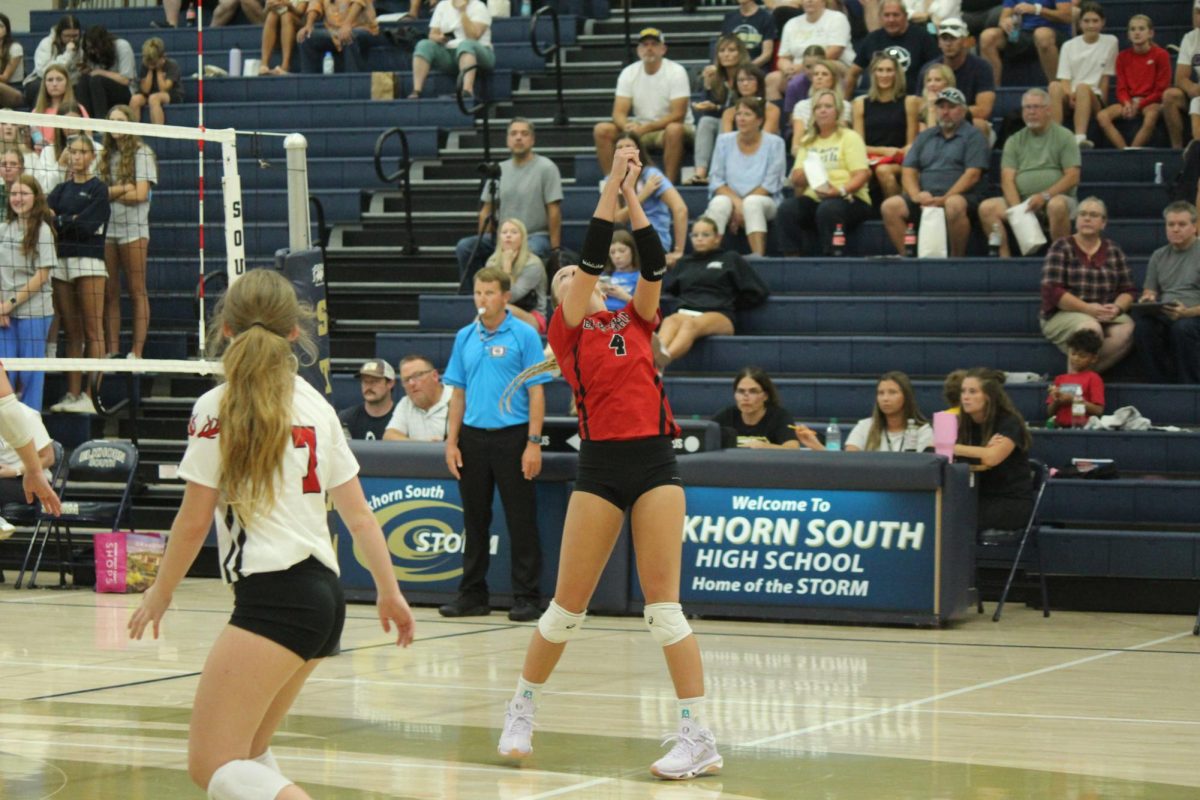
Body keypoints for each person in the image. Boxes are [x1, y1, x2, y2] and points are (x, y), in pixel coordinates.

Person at [128, 268, 415, 800]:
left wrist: (160, 592)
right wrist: (390, 591)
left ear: (226, 329)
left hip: (274, 596)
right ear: (293, 333)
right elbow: (359, 518)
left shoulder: (216, 407)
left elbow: (193, 522)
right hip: (324, 597)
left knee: (209, 763)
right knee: (248, 756)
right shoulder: (317, 406)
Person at [495, 143, 723, 781]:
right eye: (568, 278)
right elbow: (591, 255)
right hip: (598, 468)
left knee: (665, 608)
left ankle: (697, 736)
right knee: (566, 610)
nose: (576, 280)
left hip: (655, 463)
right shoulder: (565, 332)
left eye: (582, 278)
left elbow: (651, 261)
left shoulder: (636, 318)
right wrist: (611, 190)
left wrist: (630, 196)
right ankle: (521, 710)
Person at [442, 265, 550, 622]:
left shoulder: (524, 334)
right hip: (473, 438)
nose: (482, 300)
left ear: (505, 297)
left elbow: (536, 392)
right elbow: (458, 392)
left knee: (521, 519)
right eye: (478, 293)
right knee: (474, 520)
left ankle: (528, 597)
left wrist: (533, 443)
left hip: (513, 436)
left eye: (489, 293)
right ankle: (472, 595)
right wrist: (451, 441)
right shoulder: (465, 336)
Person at [880, 87, 988, 257]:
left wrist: (945, 198)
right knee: (890, 207)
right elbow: (909, 169)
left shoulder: (974, 136)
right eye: (941, 107)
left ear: (963, 110)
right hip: (927, 197)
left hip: (964, 197)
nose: (945, 112)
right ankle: (912, 260)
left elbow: (973, 175)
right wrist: (916, 195)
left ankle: (956, 259)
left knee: (954, 204)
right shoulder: (925, 136)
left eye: (951, 107)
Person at [456, 118, 562, 289]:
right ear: (507, 140)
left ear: (532, 139)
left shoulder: (546, 168)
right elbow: (486, 210)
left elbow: (554, 210)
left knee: (530, 252)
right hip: (503, 236)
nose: (518, 138)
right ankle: (474, 296)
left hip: (534, 235)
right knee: (466, 247)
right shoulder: (498, 170)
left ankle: (517, 297)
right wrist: (492, 238)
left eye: (524, 134)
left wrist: (556, 249)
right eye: (513, 134)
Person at [977, 88, 1080, 259]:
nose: (1031, 112)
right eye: (1027, 108)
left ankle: (1061, 260)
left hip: (1056, 198)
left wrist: (1045, 196)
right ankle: (1005, 260)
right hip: (1023, 201)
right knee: (987, 208)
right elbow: (1007, 179)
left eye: (1036, 107)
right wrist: (1019, 209)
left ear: (1048, 110)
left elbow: (1072, 176)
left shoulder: (1064, 136)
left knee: (1057, 205)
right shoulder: (1014, 140)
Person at [47, 134, 109, 415]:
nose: (76, 157)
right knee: (71, 332)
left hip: (89, 261)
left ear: (92, 157)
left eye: (82, 152)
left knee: (93, 329)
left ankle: (92, 395)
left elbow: (87, 226)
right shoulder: (60, 189)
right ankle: (73, 394)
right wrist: (68, 221)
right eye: (72, 152)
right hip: (62, 261)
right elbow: (49, 219)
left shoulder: (99, 189)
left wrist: (66, 222)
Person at [1039, 196, 1134, 373]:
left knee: (1126, 329)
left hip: (1103, 312)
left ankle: (1077, 381)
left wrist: (1117, 308)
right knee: (1090, 329)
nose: (1087, 218)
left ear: (1103, 223)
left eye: (1093, 215)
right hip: (1064, 313)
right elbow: (1053, 292)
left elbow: (1127, 290)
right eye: (1082, 214)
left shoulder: (1114, 250)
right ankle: (1074, 394)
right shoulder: (1061, 246)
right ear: (1076, 221)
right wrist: (1087, 309)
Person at [658, 217, 769, 367]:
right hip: (687, 310)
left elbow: (757, 291)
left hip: (719, 313)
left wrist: (729, 303)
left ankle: (660, 363)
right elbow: (671, 288)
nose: (699, 239)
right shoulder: (684, 262)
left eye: (705, 235)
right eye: (695, 235)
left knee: (689, 325)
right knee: (669, 321)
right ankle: (654, 360)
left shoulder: (730, 258)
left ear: (717, 238)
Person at [593, 27, 694, 185]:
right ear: (638, 50)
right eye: (644, 45)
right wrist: (627, 126)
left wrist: (645, 128)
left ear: (663, 49)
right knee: (602, 130)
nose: (649, 48)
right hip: (641, 128)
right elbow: (618, 113)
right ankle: (612, 183)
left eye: (654, 44)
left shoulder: (676, 71)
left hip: (672, 128)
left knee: (674, 129)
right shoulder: (629, 72)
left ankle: (667, 186)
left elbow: (678, 114)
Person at [779, 89, 872, 256]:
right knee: (787, 209)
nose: (822, 110)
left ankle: (832, 257)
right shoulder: (808, 141)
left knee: (828, 209)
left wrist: (839, 190)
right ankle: (792, 259)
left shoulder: (850, 137)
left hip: (850, 197)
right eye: (818, 107)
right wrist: (805, 174)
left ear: (837, 111)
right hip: (817, 196)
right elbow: (797, 177)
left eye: (828, 106)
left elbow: (862, 174)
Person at [100, 105, 157, 360]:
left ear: (130, 123)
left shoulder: (142, 153)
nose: (115, 126)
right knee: (109, 292)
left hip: (134, 230)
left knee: (137, 290)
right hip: (108, 229)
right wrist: (124, 188)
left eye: (120, 121)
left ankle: (137, 351)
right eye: (111, 121)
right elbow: (99, 194)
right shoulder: (104, 155)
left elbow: (141, 194)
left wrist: (113, 192)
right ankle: (112, 350)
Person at [953, 368, 1033, 536]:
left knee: (954, 517)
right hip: (978, 497)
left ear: (988, 396)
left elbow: (991, 458)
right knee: (941, 510)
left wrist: (955, 447)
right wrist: (980, 451)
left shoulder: (1008, 422)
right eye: (963, 391)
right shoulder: (963, 424)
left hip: (1010, 502)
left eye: (973, 391)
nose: (965, 397)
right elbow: (935, 450)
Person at [704, 97, 787, 257]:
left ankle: (758, 257)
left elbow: (770, 185)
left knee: (752, 203)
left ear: (759, 120)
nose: (741, 118)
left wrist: (742, 205)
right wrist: (737, 204)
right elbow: (716, 180)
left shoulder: (775, 143)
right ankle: (708, 257)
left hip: (766, 200)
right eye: (738, 114)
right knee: (718, 203)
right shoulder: (724, 141)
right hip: (731, 198)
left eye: (747, 114)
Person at [0, 175, 56, 411]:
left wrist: (9, 304)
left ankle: (33, 431)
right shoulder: (3, 228)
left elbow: (41, 276)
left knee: (30, 376)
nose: (17, 198)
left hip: (34, 311)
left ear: (36, 198)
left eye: (23, 193)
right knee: (5, 374)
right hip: (5, 313)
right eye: (14, 193)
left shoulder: (43, 231)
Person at [1133, 201, 1200, 384]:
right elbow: (1150, 290)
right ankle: (1159, 383)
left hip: (1194, 312)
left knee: (1183, 328)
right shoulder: (1158, 255)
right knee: (1143, 327)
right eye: (1171, 225)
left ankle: (1191, 385)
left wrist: (1188, 312)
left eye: (1182, 224)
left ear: (1194, 227)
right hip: (1167, 311)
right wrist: (1149, 299)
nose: (1175, 229)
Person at [1094, 15, 1174, 151]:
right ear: (1128, 34)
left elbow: (1161, 89)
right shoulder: (1123, 56)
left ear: (1151, 33)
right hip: (1130, 101)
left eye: (1141, 29)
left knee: (1151, 115)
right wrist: (1126, 103)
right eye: (1133, 29)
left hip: (1151, 101)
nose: (1137, 32)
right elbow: (1121, 87)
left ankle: (1134, 149)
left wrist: (1140, 104)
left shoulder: (1161, 55)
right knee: (1102, 116)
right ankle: (1124, 151)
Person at [853, 52, 922, 201]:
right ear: (873, 74)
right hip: (871, 158)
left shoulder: (909, 102)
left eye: (889, 70)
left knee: (884, 170)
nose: (884, 75)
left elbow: (911, 143)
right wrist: (884, 151)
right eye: (880, 70)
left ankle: (901, 211)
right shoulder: (860, 104)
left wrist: (897, 153)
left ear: (897, 74)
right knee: (881, 169)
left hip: (899, 158)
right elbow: (858, 145)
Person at [612, 132, 688, 266]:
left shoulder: (651, 175)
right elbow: (618, 219)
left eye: (629, 146)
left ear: (638, 151)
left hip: (653, 238)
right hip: (624, 244)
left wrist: (678, 251)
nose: (625, 150)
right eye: (620, 147)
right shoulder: (611, 180)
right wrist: (643, 194)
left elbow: (680, 209)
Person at [1048, 2, 1117, 149]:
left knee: (1083, 87)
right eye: (1086, 21)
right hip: (1071, 95)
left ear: (1103, 22)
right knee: (1054, 86)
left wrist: (1102, 106)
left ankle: (1079, 138)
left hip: (1094, 98)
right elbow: (1064, 79)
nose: (1091, 25)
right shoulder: (1068, 45)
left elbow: (1105, 78)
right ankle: (1054, 137)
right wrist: (1071, 95)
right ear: (1079, 23)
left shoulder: (1111, 41)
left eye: (1095, 21)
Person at [809, 371, 933, 451]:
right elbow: (848, 461)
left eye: (892, 392)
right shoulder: (865, 426)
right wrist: (819, 448)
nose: (885, 398)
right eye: (881, 393)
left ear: (906, 396)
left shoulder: (923, 431)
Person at [918, 17, 996, 142]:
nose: (948, 43)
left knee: (979, 125)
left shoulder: (982, 67)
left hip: (968, 121)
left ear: (965, 41)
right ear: (939, 42)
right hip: (935, 118)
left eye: (953, 38)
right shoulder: (928, 69)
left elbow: (984, 110)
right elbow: (920, 106)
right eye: (944, 39)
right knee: (919, 126)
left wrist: (948, 112)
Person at [689, 35, 750, 187]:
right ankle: (700, 173)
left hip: (744, 120)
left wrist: (716, 107)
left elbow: (743, 105)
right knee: (705, 122)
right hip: (720, 119)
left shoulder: (747, 74)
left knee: (725, 120)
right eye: (722, 51)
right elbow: (708, 107)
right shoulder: (716, 75)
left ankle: (718, 172)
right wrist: (708, 86)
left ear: (740, 53)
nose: (726, 54)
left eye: (731, 50)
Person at [846, 0, 939, 96]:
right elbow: (853, 73)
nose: (891, 19)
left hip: (912, 99)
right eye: (887, 15)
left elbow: (938, 68)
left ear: (906, 16)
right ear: (880, 17)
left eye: (896, 15)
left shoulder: (922, 37)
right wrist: (845, 102)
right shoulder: (872, 39)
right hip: (879, 100)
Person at [769, 0, 856, 101]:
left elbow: (835, 51)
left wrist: (804, 67)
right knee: (772, 79)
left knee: (820, 72)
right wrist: (788, 69)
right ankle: (780, 114)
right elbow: (783, 57)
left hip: (830, 64)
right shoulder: (791, 23)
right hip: (796, 69)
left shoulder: (837, 18)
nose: (809, 1)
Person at [410, 0, 493, 99]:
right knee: (423, 45)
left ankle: (467, 90)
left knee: (466, 44)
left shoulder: (479, 6)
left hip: (479, 52)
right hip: (450, 51)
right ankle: (416, 91)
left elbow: (473, 36)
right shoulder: (442, 5)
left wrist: (462, 11)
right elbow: (432, 34)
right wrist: (439, 38)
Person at [979, 0, 1072, 87]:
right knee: (987, 37)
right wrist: (1005, 22)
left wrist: (1037, 10)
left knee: (1042, 35)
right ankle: (993, 91)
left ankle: (1057, 89)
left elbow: (1067, 16)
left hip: (1054, 31)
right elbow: (1004, 16)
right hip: (1022, 32)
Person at [483, 217, 548, 333]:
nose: (508, 235)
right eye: (504, 232)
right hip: (499, 311)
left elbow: (511, 297)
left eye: (514, 232)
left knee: (502, 308)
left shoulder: (533, 264)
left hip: (532, 317)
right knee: (482, 313)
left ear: (522, 238)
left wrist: (507, 266)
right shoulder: (492, 262)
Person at [711, 367, 800, 448]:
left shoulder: (780, 416)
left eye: (753, 391)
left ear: (765, 396)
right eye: (741, 391)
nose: (746, 397)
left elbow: (793, 449)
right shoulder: (725, 416)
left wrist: (765, 447)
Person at [296, 0, 380, 74]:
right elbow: (315, 4)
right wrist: (309, 25)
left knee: (349, 36)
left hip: (362, 27)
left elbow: (358, 2)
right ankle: (309, 82)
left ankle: (352, 83)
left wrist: (347, 24)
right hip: (334, 31)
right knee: (306, 37)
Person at [21, 15, 82, 112]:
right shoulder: (46, 43)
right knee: (38, 86)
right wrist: (68, 54)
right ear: (59, 34)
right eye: (67, 36)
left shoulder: (80, 46)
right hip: (42, 79)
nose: (71, 40)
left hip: (70, 80)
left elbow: (78, 71)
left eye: (75, 36)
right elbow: (42, 71)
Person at [383, 354, 451, 441]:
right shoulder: (406, 403)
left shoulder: (457, 399)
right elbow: (389, 436)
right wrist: (424, 448)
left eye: (417, 376)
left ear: (434, 376)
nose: (411, 383)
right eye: (406, 380)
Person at [74, 26, 136, 120]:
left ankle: (101, 122)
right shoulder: (91, 54)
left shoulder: (122, 46)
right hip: (99, 93)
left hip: (124, 91)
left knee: (97, 79)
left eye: (95, 48)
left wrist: (100, 72)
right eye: (90, 48)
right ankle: (85, 121)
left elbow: (125, 80)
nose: (93, 51)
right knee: (84, 80)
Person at [1046, 328, 1104, 425]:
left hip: (1083, 429)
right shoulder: (1060, 379)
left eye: (1082, 356)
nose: (1076, 358)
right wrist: (1057, 401)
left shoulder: (1093, 378)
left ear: (1093, 358)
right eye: (1073, 354)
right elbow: (1049, 412)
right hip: (1061, 427)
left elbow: (1098, 410)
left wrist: (1073, 400)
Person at [1163, 3, 1200, 150]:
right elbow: (1180, 78)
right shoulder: (1190, 38)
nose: (1199, 17)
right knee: (1170, 96)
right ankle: (1178, 150)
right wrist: (1193, 89)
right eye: (1197, 12)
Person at [789, 59, 851, 147]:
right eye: (816, 74)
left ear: (833, 79)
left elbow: (843, 139)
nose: (819, 77)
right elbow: (796, 145)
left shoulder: (845, 105)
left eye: (824, 74)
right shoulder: (801, 106)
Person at [33, 65, 89, 152]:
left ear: (67, 82)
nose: (54, 84)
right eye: (50, 80)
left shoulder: (78, 109)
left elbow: (88, 139)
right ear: (44, 84)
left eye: (59, 79)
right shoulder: (36, 112)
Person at [337, 358, 396, 440]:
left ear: (390, 383)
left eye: (375, 381)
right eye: (365, 381)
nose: (368, 386)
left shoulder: (401, 418)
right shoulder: (346, 419)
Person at [129, 37, 182, 123]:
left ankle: (158, 133)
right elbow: (145, 90)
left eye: (153, 63)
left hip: (171, 93)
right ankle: (133, 134)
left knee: (154, 98)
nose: (151, 65)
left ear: (162, 57)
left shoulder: (172, 65)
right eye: (149, 63)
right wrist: (150, 70)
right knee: (135, 99)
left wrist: (158, 70)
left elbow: (164, 89)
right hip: (150, 93)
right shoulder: (145, 65)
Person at [722, 0, 777, 71]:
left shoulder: (766, 18)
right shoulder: (729, 17)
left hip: (756, 69)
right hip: (731, 66)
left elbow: (766, 54)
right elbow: (722, 46)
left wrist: (746, 69)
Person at [260, 0, 309, 75]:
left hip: (297, 23)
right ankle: (264, 64)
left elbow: (300, 12)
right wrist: (267, 8)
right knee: (271, 14)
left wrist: (290, 6)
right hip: (277, 24)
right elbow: (263, 16)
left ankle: (285, 65)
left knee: (286, 15)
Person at [599, 229, 640, 312]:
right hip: (602, 314)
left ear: (632, 251)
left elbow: (646, 310)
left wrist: (623, 295)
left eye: (622, 251)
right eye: (612, 252)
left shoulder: (640, 276)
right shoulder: (603, 275)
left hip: (625, 316)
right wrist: (598, 290)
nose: (617, 256)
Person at [918, 63, 957, 130]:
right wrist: (931, 109)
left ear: (948, 83)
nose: (932, 84)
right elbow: (927, 138)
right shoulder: (924, 111)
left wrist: (932, 109)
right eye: (929, 80)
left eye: (938, 80)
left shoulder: (957, 109)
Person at [0, 13, 25, 110]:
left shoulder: (15, 48)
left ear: (7, 29)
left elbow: (5, 78)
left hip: (14, 89)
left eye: (0, 26)